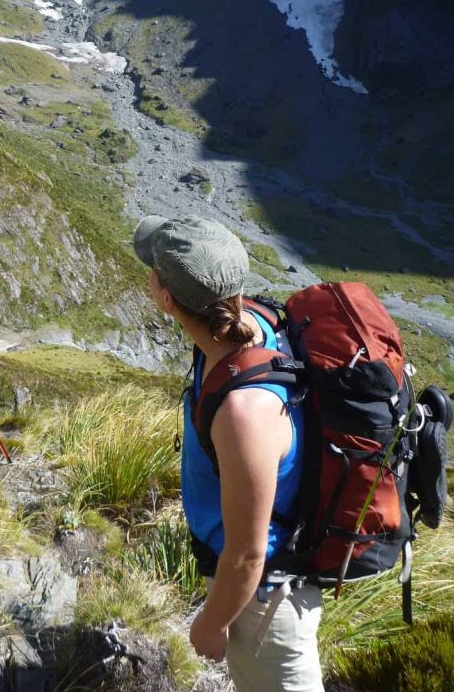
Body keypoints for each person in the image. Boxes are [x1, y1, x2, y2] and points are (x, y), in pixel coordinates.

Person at [133, 214, 324, 692]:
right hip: (258, 593)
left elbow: (246, 555)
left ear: (166, 297)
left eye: (153, 272)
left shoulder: (245, 413)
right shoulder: (248, 320)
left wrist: (211, 626)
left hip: (267, 606)